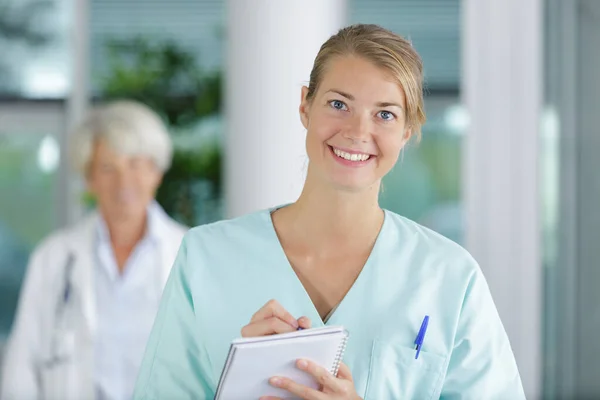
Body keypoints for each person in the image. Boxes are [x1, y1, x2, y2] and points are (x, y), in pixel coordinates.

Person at [133, 24, 526, 399]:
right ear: (305, 105)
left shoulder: (449, 277)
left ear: (407, 131)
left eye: (385, 114)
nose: (357, 131)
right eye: (338, 104)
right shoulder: (206, 258)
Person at [0, 100, 188, 400]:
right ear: (89, 179)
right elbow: (22, 367)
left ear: (156, 172)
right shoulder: (54, 257)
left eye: (136, 164)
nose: (123, 181)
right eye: (107, 168)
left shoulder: (190, 254)